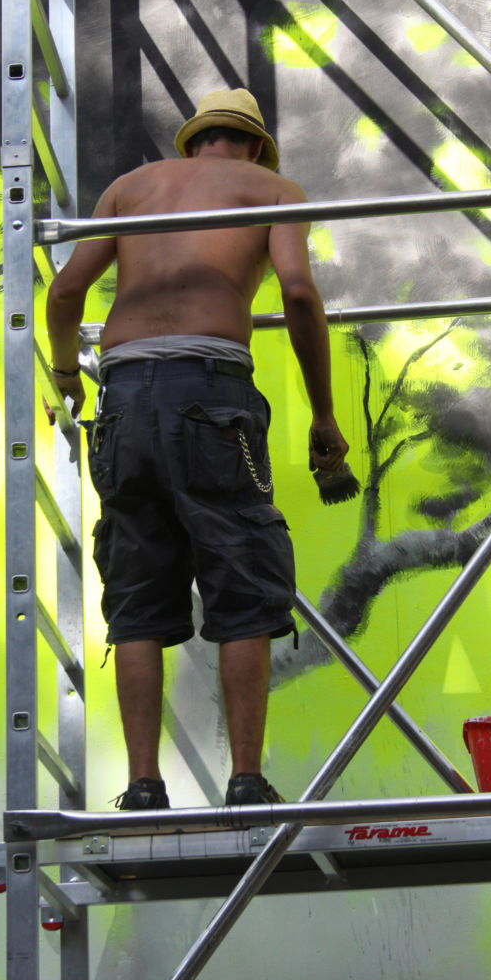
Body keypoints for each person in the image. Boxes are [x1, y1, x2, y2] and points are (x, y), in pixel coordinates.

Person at [46, 88, 349, 810]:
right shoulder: (270, 189)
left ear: (193, 143)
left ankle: (142, 787)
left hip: (123, 399)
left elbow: (64, 294)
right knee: (243, 585)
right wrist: (324, 416)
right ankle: (246, 782)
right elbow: (300, 296)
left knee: (138, 598)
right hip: (212, 394)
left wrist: (65, 376)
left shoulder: (129, 190)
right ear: (253, 145)